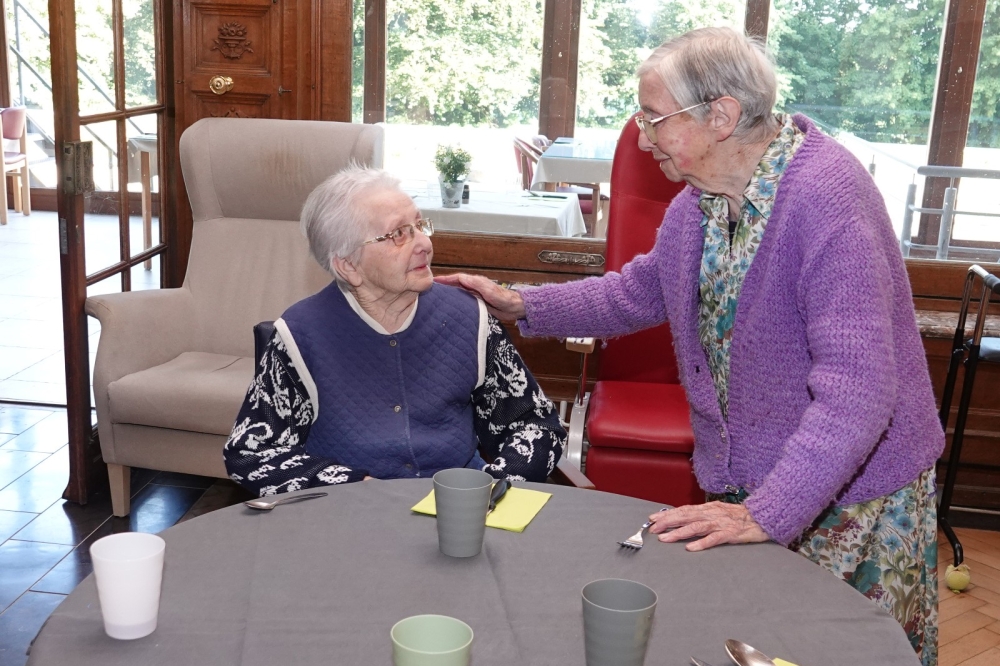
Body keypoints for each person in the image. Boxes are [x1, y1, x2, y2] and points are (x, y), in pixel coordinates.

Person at [438, 27, 943, 665]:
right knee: (755, 641)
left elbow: (860, 392)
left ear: (721, 116)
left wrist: (769, 513)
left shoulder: (825, 200)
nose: (642, 137)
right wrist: (523, 304)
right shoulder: (703, 201)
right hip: (759, 484)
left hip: (852, 494)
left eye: (654, 118)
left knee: (835, 651)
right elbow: (640, 291)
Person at [224, 165, 565, 497]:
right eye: (398, 234)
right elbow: (251, 453)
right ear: (348, 265)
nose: (424, 244)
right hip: (350, 519)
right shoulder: (300, 335)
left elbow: (537, 424)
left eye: (419, 225)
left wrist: (490, 487)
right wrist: (355, 488)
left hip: (462, 512)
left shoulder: (469, 317)